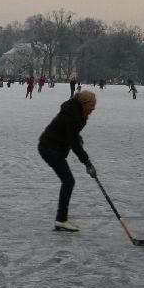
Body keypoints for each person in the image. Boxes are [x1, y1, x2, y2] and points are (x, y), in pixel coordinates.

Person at [37, 90, 98, 232]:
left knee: (68, 181)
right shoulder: (73, 115)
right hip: (49, 148)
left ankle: (61, 219)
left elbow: (71, 133)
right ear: (83, 104)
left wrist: (77, 136)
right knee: (68, 181)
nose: (93, 108)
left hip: (53, 147)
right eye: (91, 105)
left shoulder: (76, 112)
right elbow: (73, 142)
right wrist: (87, 163)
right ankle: (61, 219)